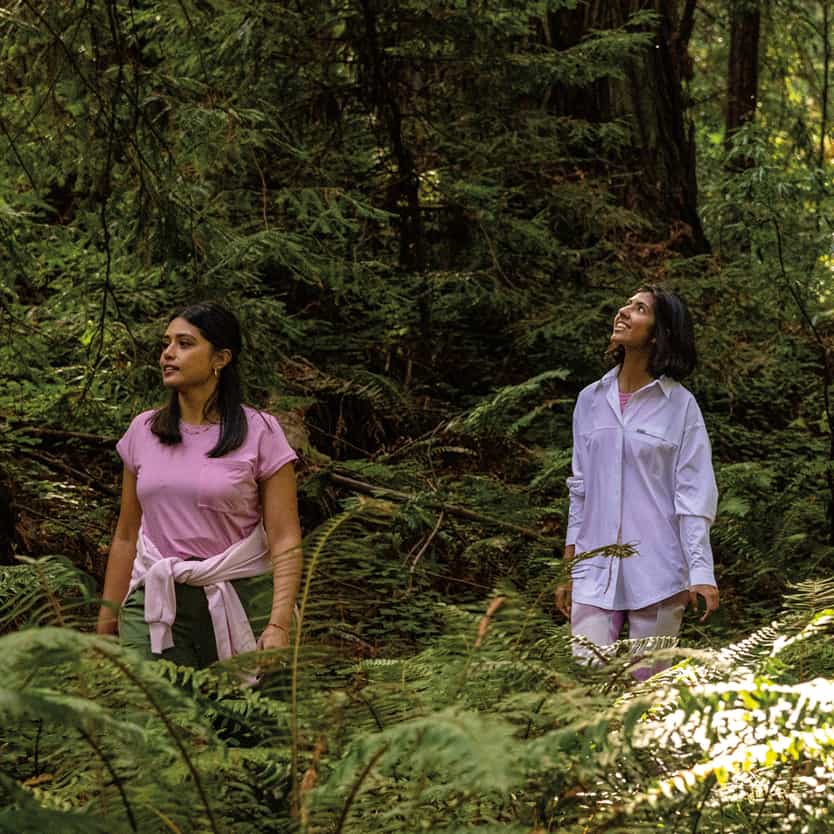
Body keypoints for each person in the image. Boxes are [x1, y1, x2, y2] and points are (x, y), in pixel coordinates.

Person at [96, 301, 302, 668]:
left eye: (185, 343)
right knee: (152, 704)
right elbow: (126, 535)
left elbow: (285, 537)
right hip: (156, 602)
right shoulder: (143, 431)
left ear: (220, 359)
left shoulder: (261, 432)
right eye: (166, 343)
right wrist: (106, 623)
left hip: (243, 597)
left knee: (245, 706)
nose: (168, 353)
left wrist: (278, 624)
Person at [555, 286, 718, 679]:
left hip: (660, 571)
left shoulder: (681, 406)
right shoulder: (590, 399)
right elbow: (580, 490)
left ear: (660, 333)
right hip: (593, 570)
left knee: (645, 694)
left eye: (640, 308)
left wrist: (701, 572)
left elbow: (694, 495)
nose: (624, 311)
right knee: (587, 686)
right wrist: (569, 569)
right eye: (627, 304)